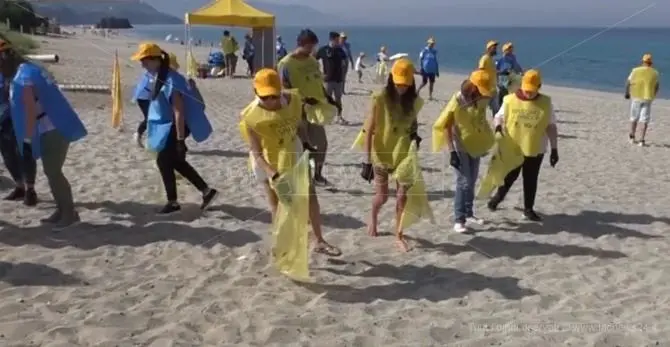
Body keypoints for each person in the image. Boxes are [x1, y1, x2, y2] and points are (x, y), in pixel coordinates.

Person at [240, 68, 341, 256]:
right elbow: (257, 152)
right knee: (277, 204)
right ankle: (282, 243)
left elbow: (299, 124)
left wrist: (306, 142)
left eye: (274, 96)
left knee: (310, 195)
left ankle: (319, 240)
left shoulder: (293, 100)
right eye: (265, 97)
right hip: (267, 160)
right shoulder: (250, 117)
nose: (270, 101)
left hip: (292, 150)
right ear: (256, 93)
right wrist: (273, 174)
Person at [3, 38, 88, 227]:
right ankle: (61, 210)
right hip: (50, 127)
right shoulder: (28, 70)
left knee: (53, 172)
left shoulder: (24, 78)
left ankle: (68, 213)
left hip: (52, 129)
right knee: (51, 172)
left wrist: (27, 138)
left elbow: (30, 109)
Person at [130, 42, 218, 214]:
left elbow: (179, 112)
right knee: (175, 162)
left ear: (156, 60)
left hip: (180, 125)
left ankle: (173, 202)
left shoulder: (171, 79)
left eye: (145, 61)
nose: (142, 64)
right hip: (169, 124)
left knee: (163, 160)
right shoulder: (156, 76)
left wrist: (179, 140)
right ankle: (207, 192)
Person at [361, 59, 423, 252]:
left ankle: (399, 234)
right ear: (391, 80)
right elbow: (369, 129)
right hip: (382, 153)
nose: (402, 88)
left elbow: (413, 125)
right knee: (382, 196)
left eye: (405, 84)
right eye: (398, 84)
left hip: (404, 153)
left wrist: (415, 136)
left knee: (402, 195)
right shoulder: (379, 98)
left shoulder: (414, 101)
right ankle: (373, 217)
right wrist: (366, 161)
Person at [487, 69, 559, 221]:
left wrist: (554, 149)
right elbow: (498, 117)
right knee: (510, 177)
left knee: (531, 178)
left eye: (532, 91)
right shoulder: (509, 99)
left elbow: (551, 126)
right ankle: (497, 199)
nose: (528, 94)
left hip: (536, 148)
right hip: (513, 147)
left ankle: (528, 209)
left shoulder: (546, 103)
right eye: (526, 90)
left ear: (539, 87)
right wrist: (498, 126)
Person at [433, 70, 494, 232]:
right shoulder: (458, 99)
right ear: (472, 86)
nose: (483, 94)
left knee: (472, 180)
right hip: (458, 145)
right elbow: (447, 126)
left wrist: (485, 142)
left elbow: (481, 121)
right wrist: (452, 152)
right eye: (480, 90)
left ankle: (469, 213)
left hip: (474, 144)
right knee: (464, 182)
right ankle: (459, 219)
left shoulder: (481, 99)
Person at [278, 29, 336, 185]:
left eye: (313, 47)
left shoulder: (312, 61)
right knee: (304, 147)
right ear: (300, 44)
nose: (312, 50)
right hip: (298, 112)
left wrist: (328, 96)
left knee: (322, 143)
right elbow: (283, 90)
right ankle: (305, 178)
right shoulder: (286, 64)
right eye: (310, 47)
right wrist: (303, 100)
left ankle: (318, 175)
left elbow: (318, 81)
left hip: (316, 110)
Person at [0, 70, 37, 205]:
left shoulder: (16, 72)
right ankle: (19, 186)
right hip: (2, 120)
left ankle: (30, 190)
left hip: (17, 118)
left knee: (24, 152)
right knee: (7, 154)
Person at [133, 52, 181, 148]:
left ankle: (155, 140)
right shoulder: (155, 73)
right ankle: (138, 135)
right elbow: (154, 86)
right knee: (149, 118)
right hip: (144, 98)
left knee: (156, 118)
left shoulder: (164, 74)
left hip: (152, 98)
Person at [625, 53, 659, 147]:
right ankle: (641, 140)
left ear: (642, 62)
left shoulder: (635, 70)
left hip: (636, 96)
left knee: (633, 117)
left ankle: (632, 137)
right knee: (644, 119)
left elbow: (628, 82)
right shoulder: (655, 73)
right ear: (651, 63)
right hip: (648, 98)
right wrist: (653, 96)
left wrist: (627, 93)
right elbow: (656, 86)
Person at [315, 31, 349, 124]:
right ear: (332, 39)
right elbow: (313, 60)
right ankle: (326, 117)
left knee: (338, 99)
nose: (338, 42)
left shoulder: (340, 50)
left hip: (338, 79)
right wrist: (319, 73)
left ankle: (339, 117)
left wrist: (344, 74)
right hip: (327, 79)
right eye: (337, 40)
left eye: (339, 40)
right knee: (327, 99)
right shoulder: (323, 50)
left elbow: (345, 62)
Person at [495, 42, 523, 106]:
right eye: (509, 48)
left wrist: (522, 72)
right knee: (503, 95)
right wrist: (502, 72)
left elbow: (517, 67)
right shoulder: (500, 59)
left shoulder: (513, 58)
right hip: (502, 80)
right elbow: (495, 71)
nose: (511, 50)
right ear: (505, 50)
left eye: (511, 48)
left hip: (511, 80)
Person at [479, 40, 499, 116]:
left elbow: (492, 72)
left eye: (495, 48)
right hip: (485, 89)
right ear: (489, 49)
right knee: (482, 110)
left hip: (493, 89)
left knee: (496, 110)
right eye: (494, 48)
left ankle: (497, 126)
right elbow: (481, 71)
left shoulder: (491, 60)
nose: (495, 49)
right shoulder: (484, 58)